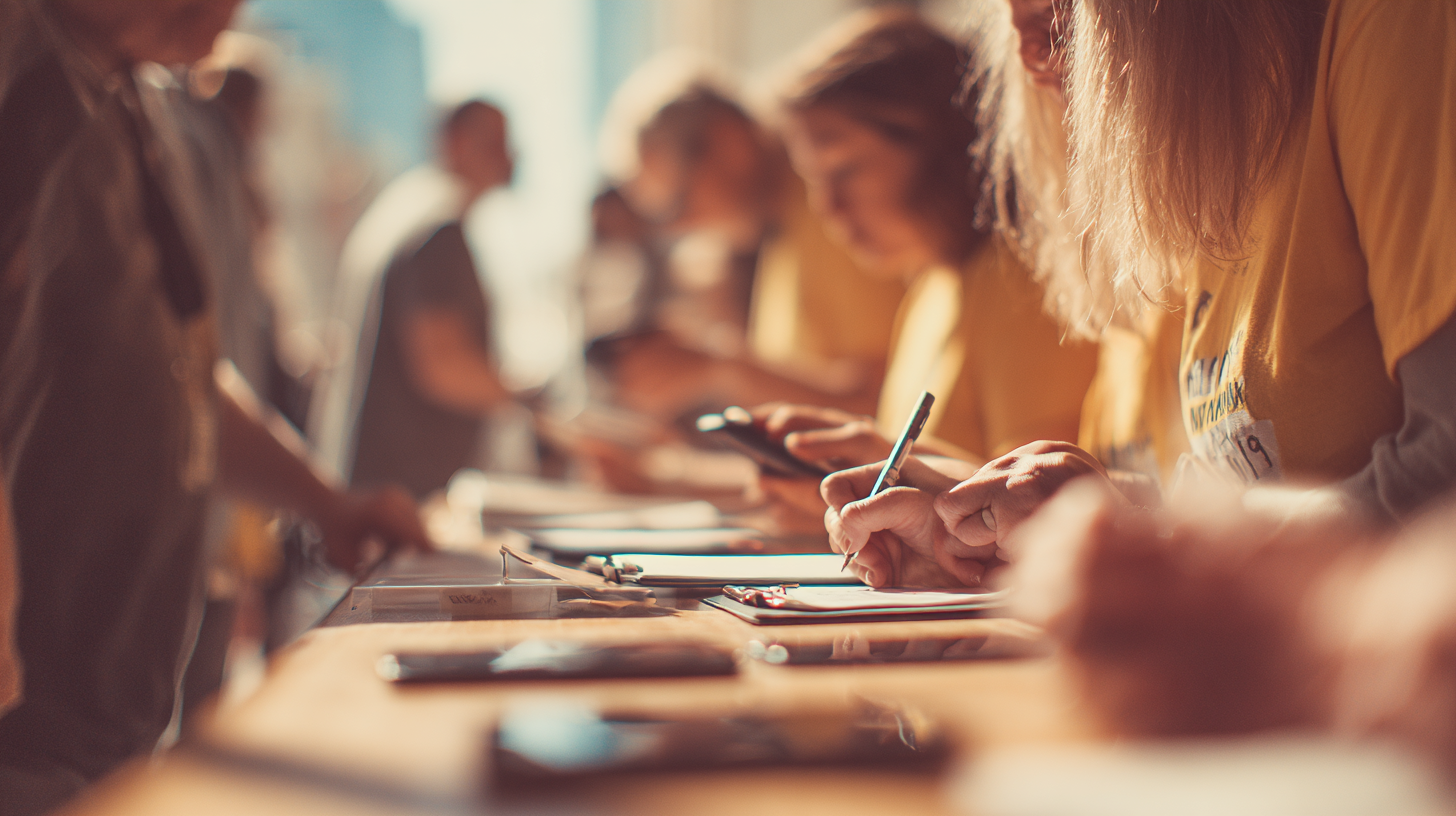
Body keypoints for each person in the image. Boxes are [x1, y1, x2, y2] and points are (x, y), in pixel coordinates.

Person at [825, 0, 1456, 586]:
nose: (1031, 56)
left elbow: (1442, 477)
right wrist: (1021, 524)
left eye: (1062, 8)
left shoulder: (1396, 26)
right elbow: (1230, 507)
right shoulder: (1214, 160)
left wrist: (1128, 538)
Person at [0, 1, 428, 811]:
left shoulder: (133, 98)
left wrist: (326, 500)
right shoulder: (20, 74)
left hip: (101, 729)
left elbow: (176, 370)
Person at [753, 9, 1097, 529]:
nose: (827, 209)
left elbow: (1038, 510)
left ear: (935, 140)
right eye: (813, 182)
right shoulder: (931, 288)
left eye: (844, 170)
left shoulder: (1023, 279)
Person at [597, 55, 907, 420]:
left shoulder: (835, 215)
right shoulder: (781, 232)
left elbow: (889, 408)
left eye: (677, 204)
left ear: (727, 141)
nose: (679, 229)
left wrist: (718, 368)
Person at [311, 100, 516, 500]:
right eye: (495, 142)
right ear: (454, 142)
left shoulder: (407, 207)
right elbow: (443, 365)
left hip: (373, 479)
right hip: (401, 490)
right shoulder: (436, 231)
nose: (510, 155)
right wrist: (536, 402)